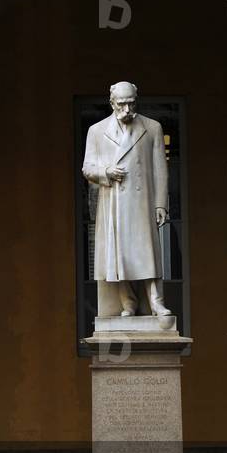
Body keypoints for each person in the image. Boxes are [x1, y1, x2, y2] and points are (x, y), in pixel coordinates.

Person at [82, 81, 172, 317]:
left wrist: (161, 204)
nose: (127, 109)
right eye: (121, 104)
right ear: (112, 103)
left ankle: (156, 302)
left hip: (142, 203)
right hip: (114, 202)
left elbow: (160, 170)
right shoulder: (97, 131)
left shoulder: (152, 127)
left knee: (147, 253)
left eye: (131, 103)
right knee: (119, 255)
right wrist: (106, 172)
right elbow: (88, 168)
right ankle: (128, 302)